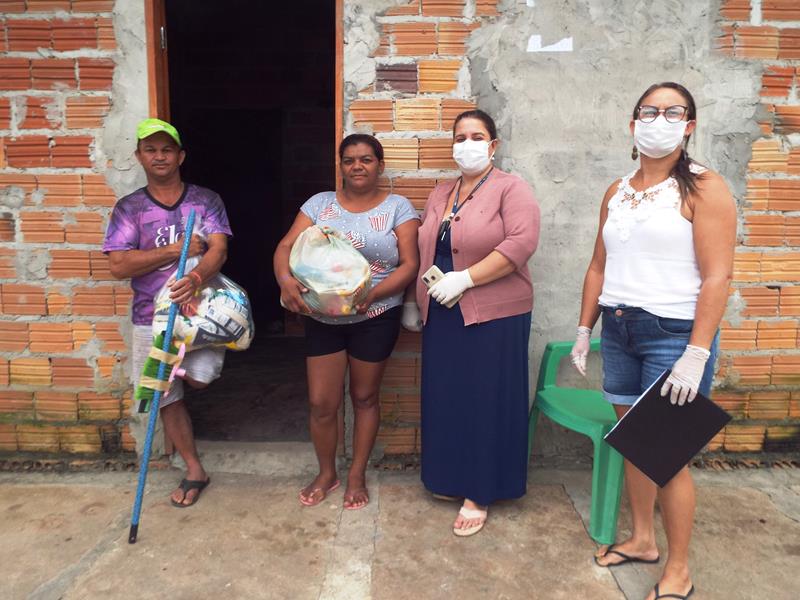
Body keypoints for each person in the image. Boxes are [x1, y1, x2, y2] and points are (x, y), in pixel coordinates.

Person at [570, 83, 736, 600]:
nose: (658, 120)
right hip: (620, 329)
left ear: (689, 126)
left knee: (667, 456)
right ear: (632, 123)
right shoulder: (617, 191)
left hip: (674, 335)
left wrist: (697, 353)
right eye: (649, 111)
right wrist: (585, 329)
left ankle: (679, 568)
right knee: (635, 445)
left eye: (672, 112)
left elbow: (717, 277)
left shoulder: (705, 188)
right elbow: (598, 266)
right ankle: (643, 540)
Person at [274, 134, 419, 510]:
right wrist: (285, 280)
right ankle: (327, 473)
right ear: (340, 165)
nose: (357, 166)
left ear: (380, 166)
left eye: (366, 159)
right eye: (349, 160)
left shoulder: (398, 208)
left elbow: (410, 264)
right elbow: (285, 246)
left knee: (364, 397)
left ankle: (356, 474)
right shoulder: (319, 205)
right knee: (322, 402)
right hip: (322, 317)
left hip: (376, 315)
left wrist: (373, 294)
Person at [414, 109, 540, 536]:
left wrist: (466, 279)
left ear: (493, 145)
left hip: (495, 313)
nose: (467, 144)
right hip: (443, 311)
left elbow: (521, 243)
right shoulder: (441, 192)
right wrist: (417, 300)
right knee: (448, 396)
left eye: (476, 136)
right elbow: (426, 247)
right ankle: (449, 477)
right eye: (460, 137)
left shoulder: (511, 188)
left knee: (486, 399)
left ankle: (480, 491)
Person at [104, 118, 232, 508]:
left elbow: (219, 249)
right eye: (151, 150)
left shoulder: (205, 201)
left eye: (166, 150)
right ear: (139, 156)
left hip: (201, 312)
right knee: (164, 396)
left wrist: (194, 277)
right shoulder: (129, 208)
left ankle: (181, 370)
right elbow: (119, 265)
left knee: (202, 378)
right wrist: (174, 250)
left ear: (180, 156)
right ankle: (194, 469)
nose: (159, 156)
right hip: (151, 316)